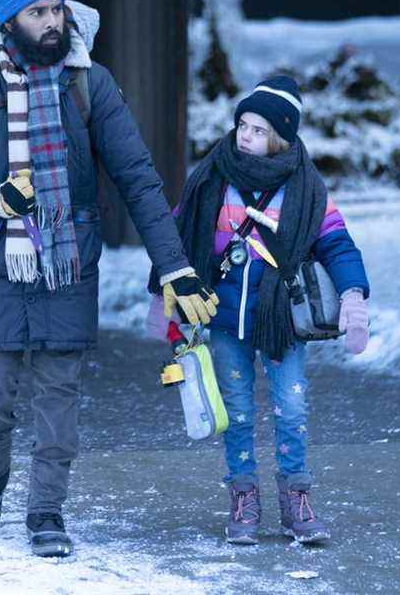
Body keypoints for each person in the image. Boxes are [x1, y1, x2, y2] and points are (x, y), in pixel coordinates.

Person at [0, 0, 219, 557]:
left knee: (59, 393)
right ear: (11, 19)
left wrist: (175, 265)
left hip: (69, 264)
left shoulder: (89, 81)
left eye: (57, 9)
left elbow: (137, 177)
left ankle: (46, 511)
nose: (53, 21)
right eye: (38, 12)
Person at [151, 75, 371, 545]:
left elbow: (336, 242)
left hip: (282, 323)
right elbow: (176, 238)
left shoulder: (307, 188)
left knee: (291, 409)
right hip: (225, 319)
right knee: (237, 413)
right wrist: (163, 298)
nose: (245, 135)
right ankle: (243, 497)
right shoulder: (213, 176)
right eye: (242, 125)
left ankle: (296, 498)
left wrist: (353, 295)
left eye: (257, 129)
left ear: (281, 138)